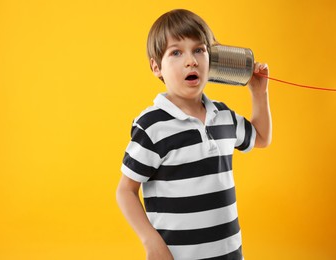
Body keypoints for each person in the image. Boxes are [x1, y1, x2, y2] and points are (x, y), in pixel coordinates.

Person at [116, 9, 272, 260]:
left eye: (199, 50)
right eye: (176, 52)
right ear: (157, 67)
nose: (192, 60)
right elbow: (125, 191)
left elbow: (261, 137)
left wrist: (258, 93)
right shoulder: (152, 125)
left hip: (230, 252)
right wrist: (151, 242)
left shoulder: (223, 116)